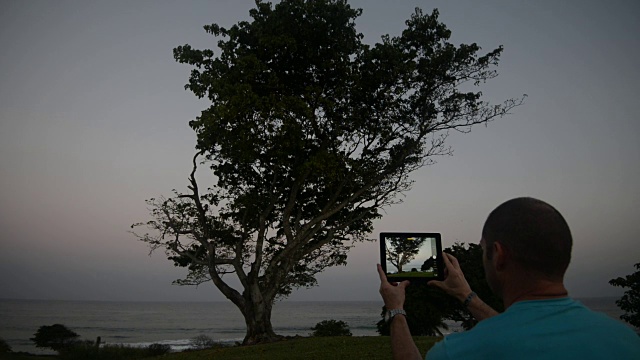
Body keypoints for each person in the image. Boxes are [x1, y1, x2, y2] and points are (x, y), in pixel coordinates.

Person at [378, 197, 640, 360]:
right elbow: (523, 330)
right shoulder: (626, 341)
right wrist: (466, 296)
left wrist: (396, 310)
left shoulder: (458, 352)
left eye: (484, 250)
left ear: (498, 255)